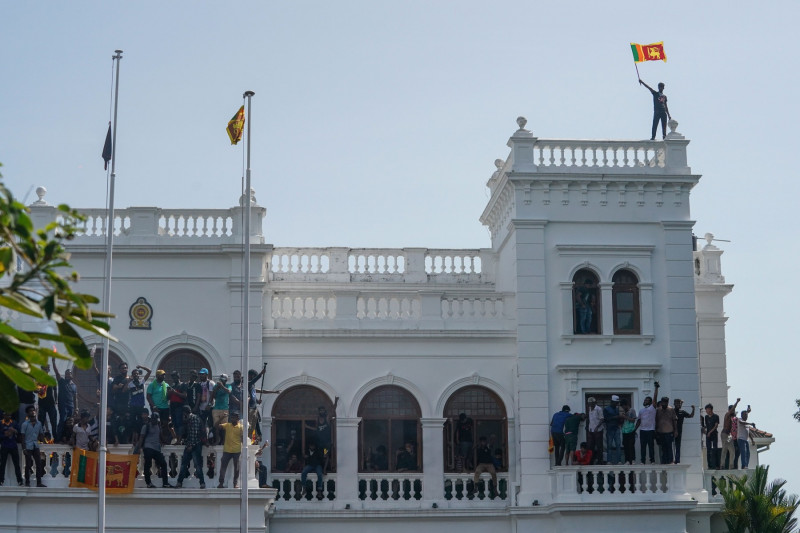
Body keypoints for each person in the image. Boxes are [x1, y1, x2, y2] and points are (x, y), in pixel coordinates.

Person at [136, 412, 173, 488]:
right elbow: (141, 438)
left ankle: (165, 483)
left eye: (155, 419)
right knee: (147, 465)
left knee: (163, 464)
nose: (154, 421)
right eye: (153, 419)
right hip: (148, 447)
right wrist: (139, 448)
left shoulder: (158, 426)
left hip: (156, 448)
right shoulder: (146, 426)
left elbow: (160, 435)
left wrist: (163, 441)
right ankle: (148, 483)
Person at [176, 405, 206, 489]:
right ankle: (180, 482)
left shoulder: (193, 419)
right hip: (192, 444)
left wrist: (190, 446)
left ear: (185, 413)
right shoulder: (191, 419)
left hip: (194, 445)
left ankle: (201, 483)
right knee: (188, 464)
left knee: (195, 465)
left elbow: (194, 433)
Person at [304, 398, 338, 472]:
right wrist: (307, 427)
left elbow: (332, 412)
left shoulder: (327, 419)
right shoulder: (317, 419)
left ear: (324, 411)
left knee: (325, 455)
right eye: (320, 410)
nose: (321, 412)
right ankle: (318, 468)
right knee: (319, 455)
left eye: (322, 410)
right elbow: (316, 429)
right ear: (319, 412)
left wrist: (335, 403)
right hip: (319, 443)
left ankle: (325, 469)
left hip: (326, 443)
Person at [20, 406, 46, 487]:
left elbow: (41, 435)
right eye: (30, 411)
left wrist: (44, 441)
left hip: (36, 445)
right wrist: (24, 448)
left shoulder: (39, 423)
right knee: (28, 465)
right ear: (28, 413)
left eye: (33, 410)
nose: (33, 412)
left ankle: (39, 482)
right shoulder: (25, 424)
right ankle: (27, 482)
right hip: (28, 446)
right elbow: (22, 437)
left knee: (39, 464)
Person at [217, 411, 243, 488]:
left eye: (233, 418)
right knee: (223, 466)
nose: (232, 419)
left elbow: (242, 438)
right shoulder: (227, 425)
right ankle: (221, 483)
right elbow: (216, 426)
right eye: (231, 417)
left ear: (237, 418)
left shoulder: (241, 427)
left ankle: (235, 483)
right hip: (227, 450)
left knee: (237, 467)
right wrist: (221, 418)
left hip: (236, 450)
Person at [52, 358, 77, 442]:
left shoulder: (74, 386)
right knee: (62, 420)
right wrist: (53, 362)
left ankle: (68, 438)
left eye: (69, 373)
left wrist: (76, 408)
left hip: (71, 406)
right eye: (66, 374)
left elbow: (75, 398)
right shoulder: (62, 381)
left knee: (70, 423)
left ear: (71, 375)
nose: (68, 375)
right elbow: (57, 373)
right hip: (63, 405)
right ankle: (58, 439)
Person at [636, 381, 659, 464]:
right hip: (642, 430)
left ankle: (652, 460)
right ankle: (642, 461)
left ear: (650, 402)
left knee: (651, 446)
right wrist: (635, 429)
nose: (645, 400)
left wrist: (656, 388)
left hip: (650, 430)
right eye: (645, 399)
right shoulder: (641, 410)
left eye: (647, 400)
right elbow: (639, 420)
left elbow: (655, 397)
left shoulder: (652, 408)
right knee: (643, 446)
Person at [146, 370, 172, 442]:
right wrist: (153, 406)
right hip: (156, 408)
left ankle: (165, 439)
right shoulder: (152, 385)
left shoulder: (166, 385)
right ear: (157, 376)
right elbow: (148, 396)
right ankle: (157, 438)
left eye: (164, 375)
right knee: (157, 424)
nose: (164, 376)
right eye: (162, 375)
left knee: (165, 424)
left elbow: (169, 397)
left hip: (165, 407)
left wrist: (170, 393)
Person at [0, 411, 23, 486]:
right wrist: (5, 435)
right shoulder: (0, 423)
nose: (9, 417)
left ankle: (20, 481)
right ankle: (1, 480)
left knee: (17, 464)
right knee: (2, 464)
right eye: (7, 415)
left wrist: (14, 431)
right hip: (4, 446)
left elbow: (19, 432)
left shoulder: (14, 423)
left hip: (13, 446)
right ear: (4, 415)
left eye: (10, 415)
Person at [36, 364, 58, 435]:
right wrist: (39, 390)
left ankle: (55, 438)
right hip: (42, 403)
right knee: (41, 422)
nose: (46, 370)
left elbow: (55, 390)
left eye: (47, 368)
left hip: (51, 403)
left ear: (49, 370)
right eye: (44, 369)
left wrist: (56, 400)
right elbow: (34, 389)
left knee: (53, 422)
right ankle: (40, 438)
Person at [655, 396, 678, 464]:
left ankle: (670, 461)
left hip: (669, 432)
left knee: (669, 447)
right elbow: (656, 420)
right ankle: (664, 461)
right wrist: (656, 431)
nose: (664, 404)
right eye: (663, 402)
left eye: (666, 402)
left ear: (667, 402)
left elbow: (674, 420)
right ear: (661, 402)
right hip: (660, 432)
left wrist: (676, 430)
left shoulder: (671, 410)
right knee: (663, 448)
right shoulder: (658, 410)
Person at [673, 398, 695, 464]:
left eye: (679, 403)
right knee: (671, 446)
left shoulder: (682, 412)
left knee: (678, 446)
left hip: (679, 431)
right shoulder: (671, 411)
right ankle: (671, 460)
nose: (678, 404)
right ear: (674, 404)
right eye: (676, 403)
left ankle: (677, 460)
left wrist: (693, 409)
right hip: (671, 431)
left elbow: (691, 416)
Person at [212, 374, 232, 445]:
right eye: (221, 379)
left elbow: (229, 392)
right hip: (216, 408)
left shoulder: (228, 386)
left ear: (226, 380)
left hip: (225, 408)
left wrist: (222, 386)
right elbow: (213, 396)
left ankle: (224, 440)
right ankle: (218, 439)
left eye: (223, 380)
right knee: (216, 425)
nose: (221, 381)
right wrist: (217, 388)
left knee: (224, 426)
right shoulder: (216, 386)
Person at [720, 399, 740, 469]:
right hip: (724, 434)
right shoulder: (727, 415)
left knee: (732, 450)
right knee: (724, 449)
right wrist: (737, 402)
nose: (733, 411)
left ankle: (731, 466)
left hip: (729, 435)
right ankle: (722, 465)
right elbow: (731, 410)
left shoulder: (733, 418)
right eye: (732, 410)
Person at [168, 371, 188, 437]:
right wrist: (169, 393)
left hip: (180, 406)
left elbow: (185, 395)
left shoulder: (183, 385)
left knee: (179, 423)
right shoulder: (172, 385)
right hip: (172, 406)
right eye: (173, 377)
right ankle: (176, 438)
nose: (174, 379)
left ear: (178, 377)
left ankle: (180, 439)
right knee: (174, 423)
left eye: (175, 377)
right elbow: (168, 397)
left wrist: (175, 392)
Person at [603, 396, 622, 465]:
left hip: (616, 428)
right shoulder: (606, 409)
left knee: (618, 445)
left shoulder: (617, 409)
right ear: (612, 402)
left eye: (617, 402)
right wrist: (615, 417)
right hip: (610, 429)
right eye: (616, 402)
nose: (617, 404)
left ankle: (619, 461)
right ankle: (609, 461)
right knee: (609, 446)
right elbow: (605, 419)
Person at [586, 397, 604, 464]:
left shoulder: (598, 409)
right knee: (590, 446)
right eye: (589, 403)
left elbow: (602, 419)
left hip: (598, 430)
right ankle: (591, 461)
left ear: (594, 403)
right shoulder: (589, 408)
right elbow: (590, 418)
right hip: (591, 430)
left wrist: (597, 427)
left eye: (592, 403)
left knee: (599, 446)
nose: (591, 405)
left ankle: (600, 461)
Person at [702, 403, 720, 469]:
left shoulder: (716, 416)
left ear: (710, 409)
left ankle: (717, 465)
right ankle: (709, 466)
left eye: (707, 409)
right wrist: (705, 431)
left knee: (715, 449)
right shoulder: (706, 417)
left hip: (714, 434)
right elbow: (706, 426)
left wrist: (710, 432)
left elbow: (716, 426)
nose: (706, 411)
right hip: (708, 435)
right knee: (708, 450)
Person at [620, 398, 637, 465]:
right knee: (625, 445)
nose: (622, 407)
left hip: (631, 430)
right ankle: (627, 460)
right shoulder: (623, 412)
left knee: (631, 445)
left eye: (623, 406)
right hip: (624, 431)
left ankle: (632, 460)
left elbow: (633, 420)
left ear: (626, 405)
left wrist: (625, 417)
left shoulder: (632, 410)